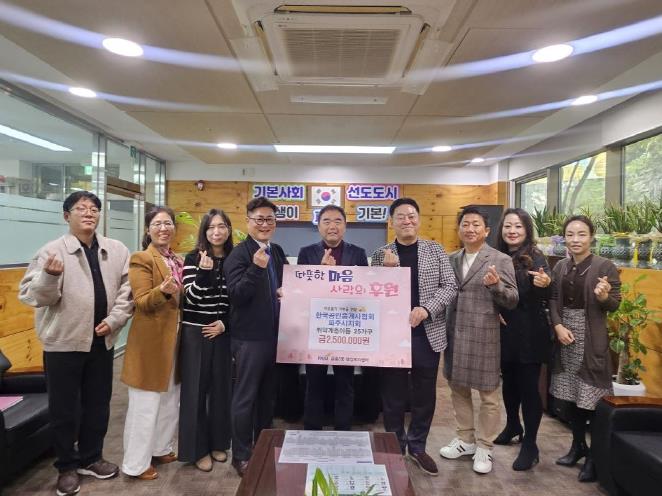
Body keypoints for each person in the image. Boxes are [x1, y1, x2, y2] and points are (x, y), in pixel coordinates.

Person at [19, 191, 132, 496]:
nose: (89, 213)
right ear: (66, 216)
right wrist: (49, 276)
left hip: (102, 341)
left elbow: (127, 291)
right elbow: (33, 296)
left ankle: (91, 457)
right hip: (63, 343)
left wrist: (115, 321)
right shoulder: (51, 251)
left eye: (94, 209)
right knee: (64, 409)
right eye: (81, 208)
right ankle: (67, 466)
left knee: (98, 404)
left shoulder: (116, 250)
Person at [371, 197, 458, 476]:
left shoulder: (435, 250)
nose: (407, 221)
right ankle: (395, 445)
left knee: (424, 395)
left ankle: (418, 446)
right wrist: (387, 274)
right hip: (392, 336)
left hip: (426, 334)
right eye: (400, 217)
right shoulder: (380, 254)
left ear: (418, 219)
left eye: (411, 216)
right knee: (392, 394)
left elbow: (450, 286)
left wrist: (426, 309)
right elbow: (372, 293)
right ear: (391, 222)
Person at [440, 205, 518, 474]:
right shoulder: (451, 258)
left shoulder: (499, 259)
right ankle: (465, 439)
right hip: (455, 334)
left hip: (484, 335)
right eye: (465, 224)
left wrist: (496, 286)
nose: (470, 229)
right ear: (459, 229)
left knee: (488, 395)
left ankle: (485, 446)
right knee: (458, 389)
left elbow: (512, 299)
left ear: (486, 230)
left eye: (476, 225)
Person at [549, 215, 621, 482]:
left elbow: (614, 304)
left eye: (581, 234)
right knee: (570, 397)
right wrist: (557, 325)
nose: (575, 239)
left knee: (591, 399)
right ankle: (578, 446)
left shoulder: (605, 266)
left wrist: (603, 296)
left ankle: (594, 458)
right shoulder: (560, 266)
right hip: (565, 335)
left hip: (591, 338)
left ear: (591, 237)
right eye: (570, 234)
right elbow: (553, 298)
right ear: (564, 238)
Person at [224, 196, 287, 477]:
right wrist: (256, 269)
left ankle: (263, 447)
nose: (264, 224)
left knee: (267, 398)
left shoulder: (277, 251)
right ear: (248, 221)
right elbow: (237, 295)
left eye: (269, 220)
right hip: (249, 339)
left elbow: (286, 284)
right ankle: (240, 455)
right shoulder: (239, 254)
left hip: (275, 337)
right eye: (259, 219)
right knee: (245, 398)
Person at [120, 207, 183, 480]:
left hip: (175, 341)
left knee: (170, 399)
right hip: (150, 343)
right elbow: (142, 301)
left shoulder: (177, 260)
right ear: (148, 229)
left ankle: (160, 448)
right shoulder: (142, 258)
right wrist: (163, 291)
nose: (163, 228)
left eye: (168, 223)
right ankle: (135, 464)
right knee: (144, 405)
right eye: (157, 224)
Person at [298, 205, 369, 431]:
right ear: (319, 226)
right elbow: (301, 291)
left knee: (345, 383)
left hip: (345, 330)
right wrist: (322, 273)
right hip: (316, 330)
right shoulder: (306, 253)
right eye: (326, 221)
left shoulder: (358, 253)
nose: (332, 226)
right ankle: (312, 429)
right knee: (314, 382)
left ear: (345, 226)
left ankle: (343, 429)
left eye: (338, 221)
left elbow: (364, 291)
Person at [494, 208, 552, 471]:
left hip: (530, 332)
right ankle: (512, 425)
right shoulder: (497, 255)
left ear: (527, 230)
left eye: (518, 226)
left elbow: (546, 291)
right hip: (504, 330)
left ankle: (531, 444)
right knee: (509, 383)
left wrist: (544, 284)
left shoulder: (536, 257)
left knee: (529, 388)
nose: (512, 231)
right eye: (508, 226)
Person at [178, 209, 233, 472]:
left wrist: (225, 324)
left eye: (221, 226)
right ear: (204, 231)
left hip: (222, 332)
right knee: (195, 393)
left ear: (229, 230)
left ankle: (218, 443)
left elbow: (238, 300)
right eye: (211, 227)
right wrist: (203, 273)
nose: (216, 232)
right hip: (196, 333)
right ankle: (197, 450)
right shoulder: (193, 257)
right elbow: (191, 299)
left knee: (221, 391)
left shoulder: (235, 258)